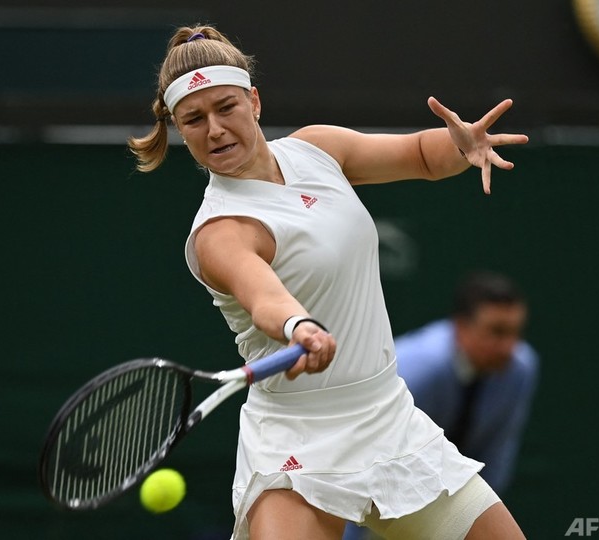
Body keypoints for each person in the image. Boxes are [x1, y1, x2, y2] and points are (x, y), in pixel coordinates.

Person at [128, 24, 529, 540]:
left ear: (254, 101)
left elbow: (421, 156)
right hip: (296, 440)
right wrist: (298, 326)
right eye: (194, 119)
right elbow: (263, 297)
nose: (215, 129)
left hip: (388, 416)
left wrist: (461, 145)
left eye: (226, 107)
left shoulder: (317, 149)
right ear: (180, 129)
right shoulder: (220, 231)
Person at [343, 272, 539, 539]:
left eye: (516, 333)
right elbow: (360, 454)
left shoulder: (521, 368)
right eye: (497, 332)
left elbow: (496, 455)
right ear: (461, 327)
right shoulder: (420, 369)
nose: (508, 347)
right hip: (374, 493)